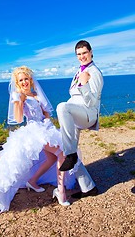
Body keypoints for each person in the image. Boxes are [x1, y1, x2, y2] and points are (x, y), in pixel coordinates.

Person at [0, 66, 76, 212]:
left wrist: (47, 121)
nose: (24, 82)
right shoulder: (20, 96)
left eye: (26, 79)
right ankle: (61, 192)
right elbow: (18, 118)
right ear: (17, 82)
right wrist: (18, 102)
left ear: (31, 79)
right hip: (34, 131)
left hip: (46, 128)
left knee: (53, 158)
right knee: (62, 154)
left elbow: (46, 113)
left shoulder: (36, 94)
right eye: (21, 80)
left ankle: (32, 181)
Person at [56, 40, 104, 199]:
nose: (82, 56)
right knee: (70, 150)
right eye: (79, 54)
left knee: (62, 107)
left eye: (84, 53)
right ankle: (88, 188)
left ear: (91, 52)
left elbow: (91, 102)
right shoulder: (79, 71)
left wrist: (84, 84)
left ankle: (71, 155)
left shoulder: (95, 72)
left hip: (88, 114)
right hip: (75, 114)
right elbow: (73, 95)